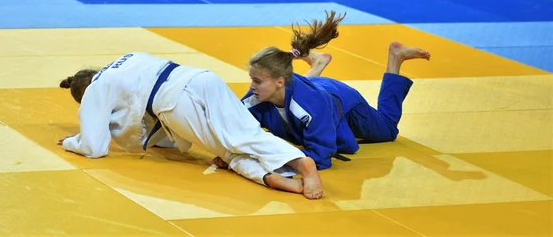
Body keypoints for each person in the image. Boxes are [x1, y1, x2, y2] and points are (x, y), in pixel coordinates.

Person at [57, 52, 324, 199]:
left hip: (173, 102)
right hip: (201, 78)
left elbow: (93, 147)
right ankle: (288, 171)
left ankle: (289, 169)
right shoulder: (127, 58)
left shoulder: (96, 90)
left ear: (83, 94)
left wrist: (73, 141)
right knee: (245, 134)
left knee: (228, 149)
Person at [241, 11, 431, 171]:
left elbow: (321, 157)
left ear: (279, 82)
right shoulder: (257, 96)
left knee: (388, 130)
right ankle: (318, 62)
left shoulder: (310, 107)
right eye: (252, 80)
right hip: (312, 90)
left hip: (343, 100)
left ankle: (396, 57)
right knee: (301, 107)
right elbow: (232, 126)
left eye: (257, 81)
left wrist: (268, 158)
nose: (251, 87)